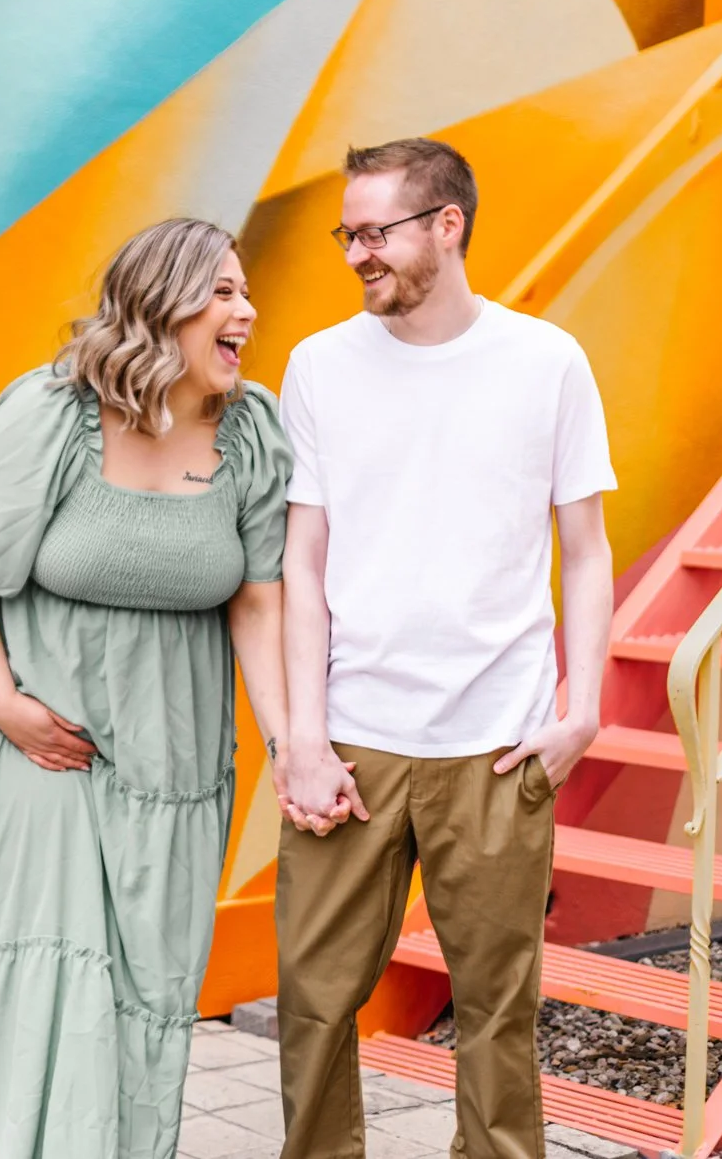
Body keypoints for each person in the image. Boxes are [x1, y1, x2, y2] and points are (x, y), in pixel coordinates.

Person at [0, 218, 296, 1159]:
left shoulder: (255, 431)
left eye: (245, 292)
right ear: (163, 305)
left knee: (144, 988)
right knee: (44, 974)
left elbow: (261, 607)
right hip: (34, 743)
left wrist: (293, 748)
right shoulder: (55, 412)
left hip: (174, 764)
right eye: (224, 292)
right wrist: (0, 699)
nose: (247, 310)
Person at [274, 139, 616, 1158]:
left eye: (373, 231)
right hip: (352, 742)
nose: (354, 254)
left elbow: (585, 550)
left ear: (445, 225)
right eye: (348, 233)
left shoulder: (545, 361)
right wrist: (301, 734)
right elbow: (302, 562)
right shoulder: (317, 366)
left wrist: (581, 706)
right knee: (313, 1002)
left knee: (496, 1010)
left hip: (495, 744)